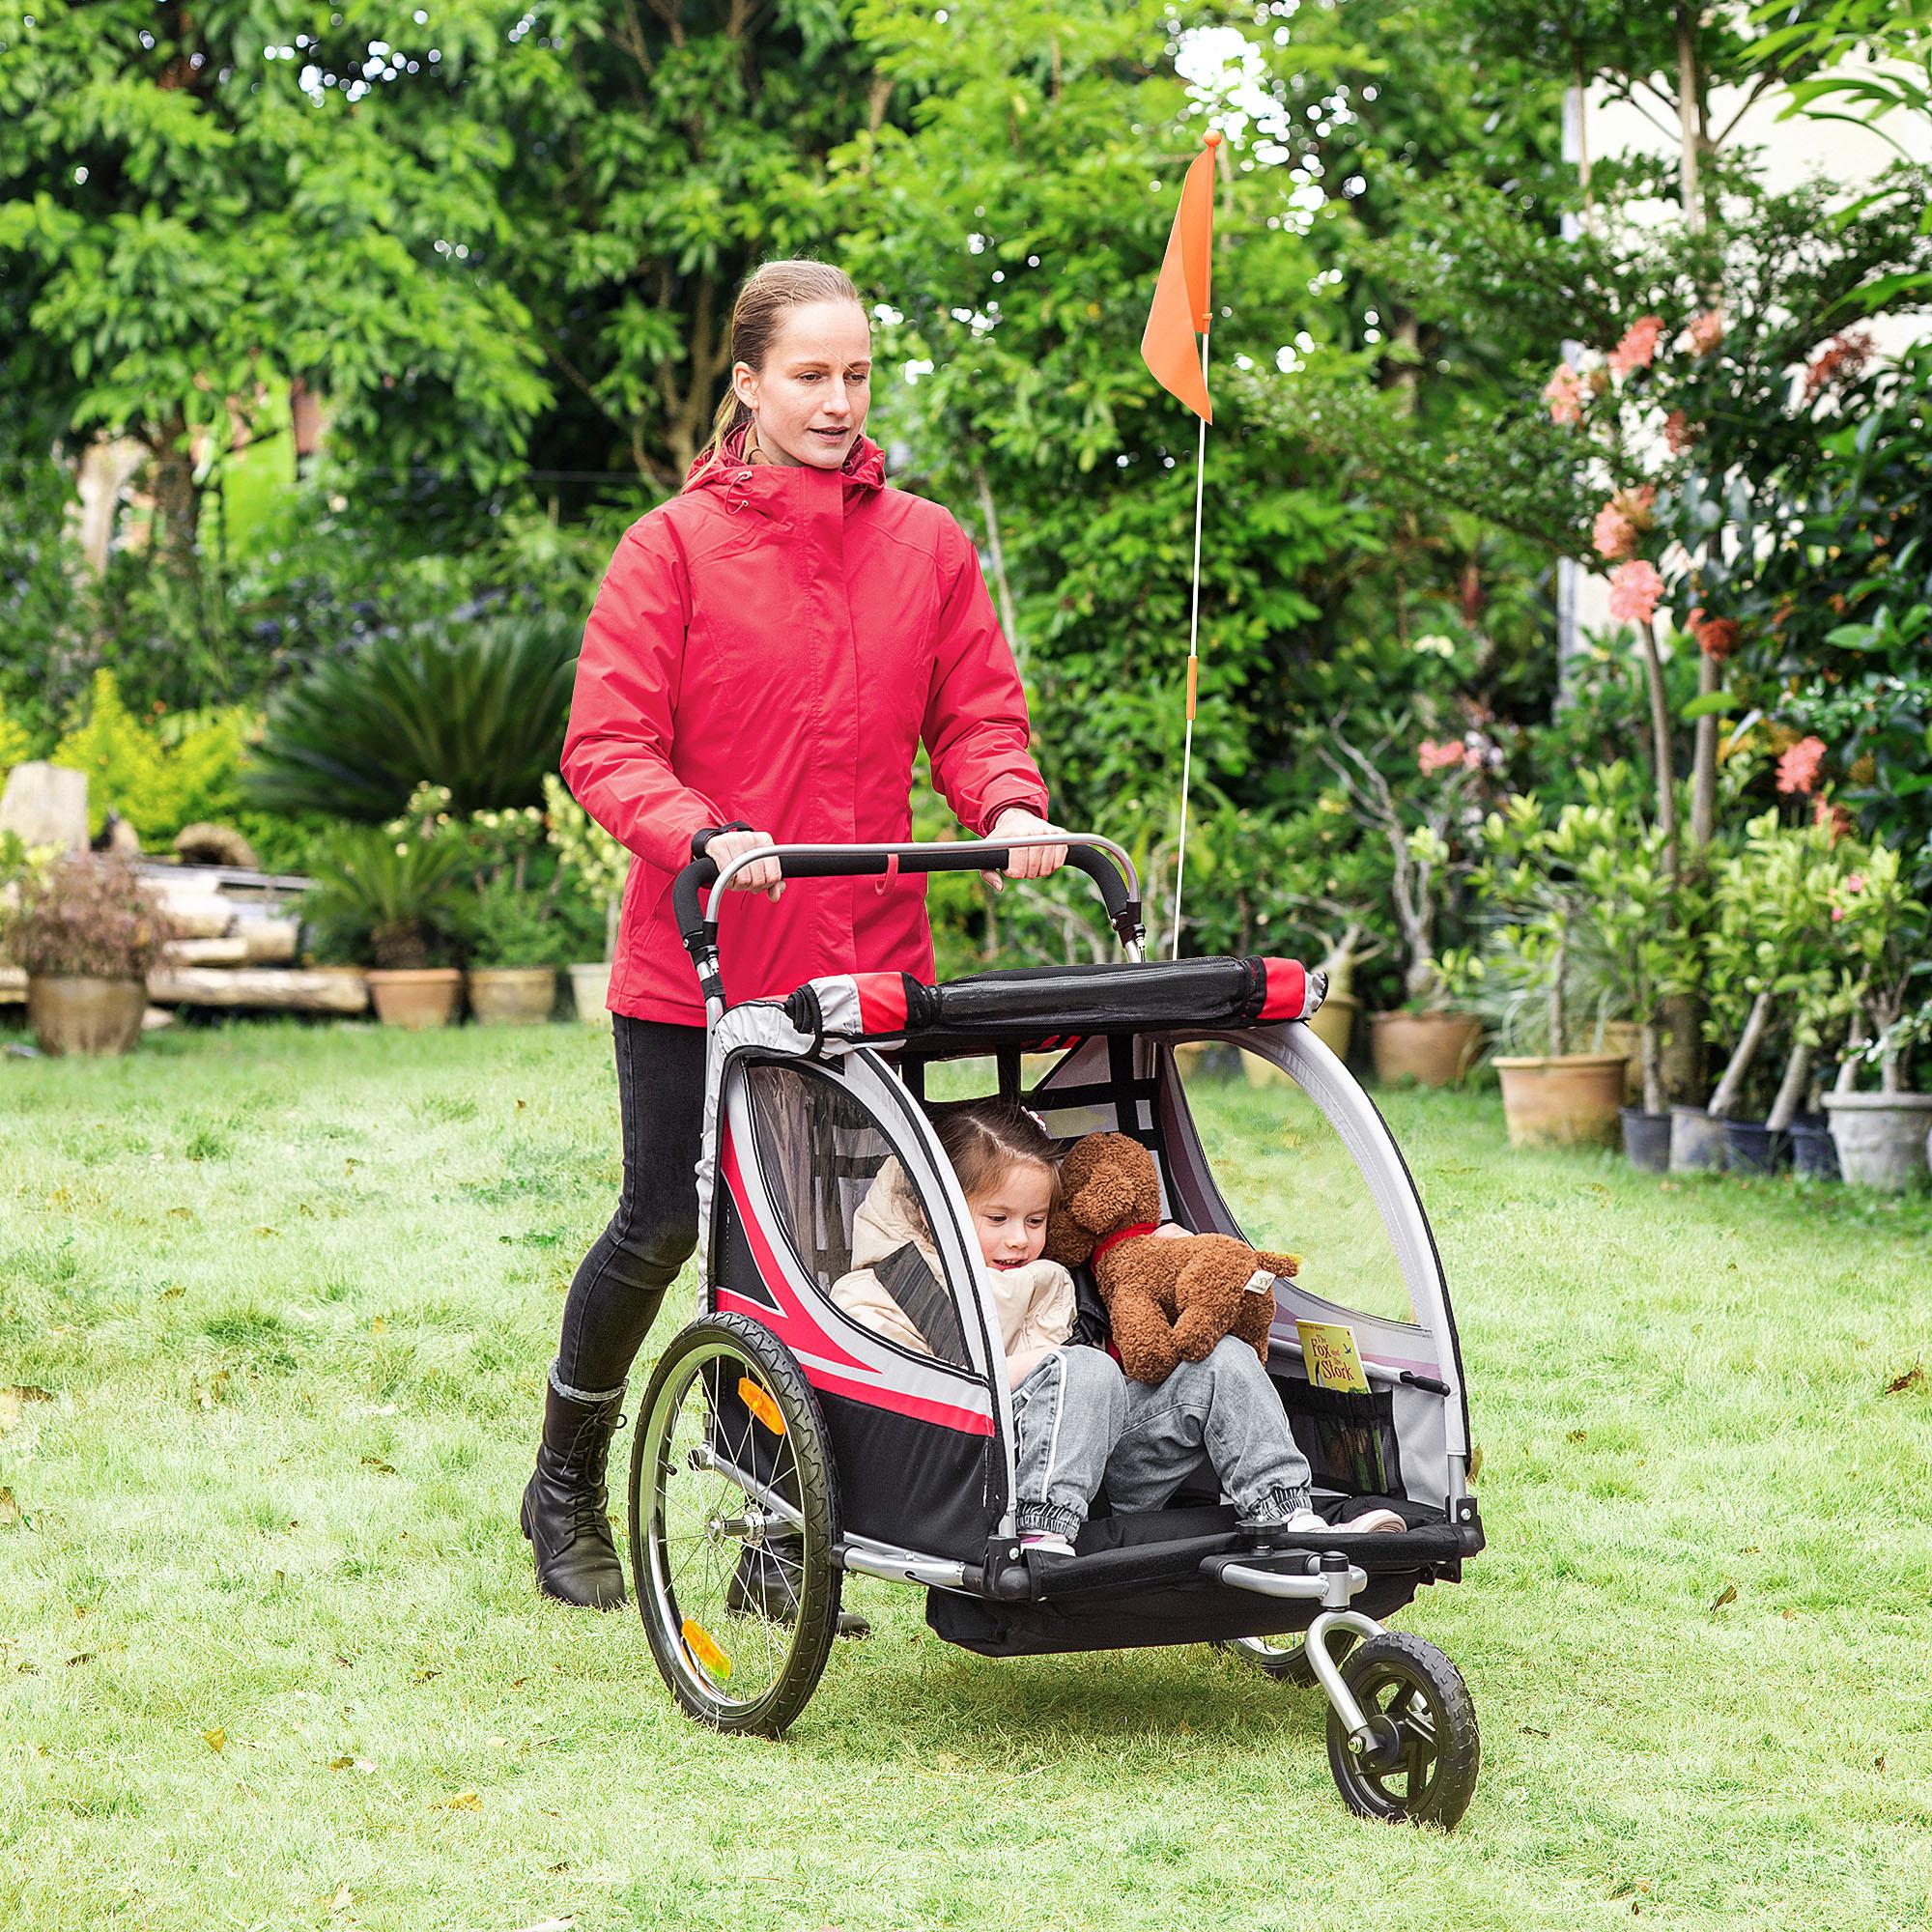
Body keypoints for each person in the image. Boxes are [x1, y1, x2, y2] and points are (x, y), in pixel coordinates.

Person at [523, 259, 1068, 1611]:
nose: (837, 400)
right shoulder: (673, 547)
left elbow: (980, 719)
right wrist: (701, 830)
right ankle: (564, 1480)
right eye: (810, 376)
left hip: (867, 966)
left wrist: (1005, 802)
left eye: (857, 375)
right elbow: (608, 745)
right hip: (704, 966)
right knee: (664, 1224)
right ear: (750, 385)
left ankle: (788, 1521)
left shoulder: (926, 547)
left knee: (844, 1248)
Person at [832, 1103, 1405, 1557]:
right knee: (1084, 1367)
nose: (1017, 1240)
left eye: (1035, 1222)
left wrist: (1168, 1253)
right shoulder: (886, 1288)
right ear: (942, 1213)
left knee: (1221, 1359)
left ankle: (1284, 1510)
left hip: (1108, 1464)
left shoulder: (1051, 1279)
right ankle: (1044, 1529)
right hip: (992, 1481)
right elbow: (916, 1403)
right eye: (997, 1219)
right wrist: (1049, 1368)